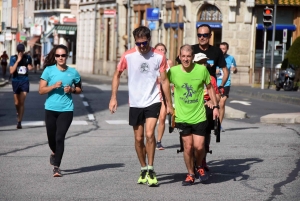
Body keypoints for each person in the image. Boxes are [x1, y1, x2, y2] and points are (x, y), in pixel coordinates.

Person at [109, 26, 173, 186]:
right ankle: (143, 168)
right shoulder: (128, 56)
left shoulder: (158, 56)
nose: (142, 46)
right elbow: (117, 74)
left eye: (144, 43)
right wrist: (113, 98)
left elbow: (164, 80)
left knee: (150, 134)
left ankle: (151, 168)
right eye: (139, 44)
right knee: (138, 139)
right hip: (136, 102)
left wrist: (169, 104)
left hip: (153, 99)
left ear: (149, 40)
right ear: (135, 42)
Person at [168, 45, 219, 186]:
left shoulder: (201, 70)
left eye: (188, 56)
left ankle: (200, 166)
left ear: (193, 57)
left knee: (199, 146)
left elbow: (210, 87)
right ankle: (191, 173)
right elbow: (163, 84)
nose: (186, 59)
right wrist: (166, 104)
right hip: (182, 116)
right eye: (183, 56)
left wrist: (215, 106)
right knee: (188, 147)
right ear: (179, 56)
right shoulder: (173, 71)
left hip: (199, 115)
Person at [39, 44, 82, 177]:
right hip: (50, 109)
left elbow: (80, 89)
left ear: (67, 56)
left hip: (66, 109)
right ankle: (54, 153)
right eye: (58, 55)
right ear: (55, 57)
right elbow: (41, 90)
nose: (60, 58)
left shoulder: (73, 72)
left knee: (60, 137)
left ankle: (56, 167)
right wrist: (52, 86)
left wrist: (72, 90)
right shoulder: (48, 70)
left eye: (63, 55)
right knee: (51, 139)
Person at [176, 24, 229, 95]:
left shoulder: (216, 51)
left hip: (210, 88)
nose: (202, 37)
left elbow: (225, 71)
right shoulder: (190, 49)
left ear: (210, 36)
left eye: (205, 35)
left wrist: (221, 86)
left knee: (215, 105)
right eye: (199, 35)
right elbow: (179, 66)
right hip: (192, 87)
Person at [193, 52, 220, 172]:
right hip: (192, 107)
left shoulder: (211, 79)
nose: (202, 65)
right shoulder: (190, 76)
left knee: (209, 114)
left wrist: (213, 103)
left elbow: (217, 96)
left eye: (204, 62)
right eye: (199, 63)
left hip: (206, 108)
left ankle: (203, 156)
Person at [9, 44, 33, 129]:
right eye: (19, 51)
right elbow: (11, 71)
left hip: (24, 81)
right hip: (15, 81)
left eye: (21, 51)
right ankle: (18, 111)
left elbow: (30, 66)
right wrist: (17, 61)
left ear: (23, 50)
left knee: (22, 102)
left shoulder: (28, 58)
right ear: (17, 51)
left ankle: (19, 122)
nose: (20, 52)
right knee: (17, 103)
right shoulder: (13, 58)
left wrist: (30, 67)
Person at [154, 43, 173, 150]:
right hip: (154, 93)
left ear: (165, 51)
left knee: (162, 118)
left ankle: (159, 141)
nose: (161, 51)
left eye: (163, 49)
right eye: (158, 49)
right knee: (152, 119)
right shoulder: (152, 62)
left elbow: (173, 77)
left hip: (164, 94)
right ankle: (150, 139)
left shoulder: (169, 62)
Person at [216, 42, 237, 132]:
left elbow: (235, 69)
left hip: (225, 84)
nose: (222, 50)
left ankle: (219, 125)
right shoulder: (215, 57)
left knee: (222, 103)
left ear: (227, 49)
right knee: (214, 104)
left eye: (223, 49)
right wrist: (214, 70)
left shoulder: (231, 58)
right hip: (214, 83)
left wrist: (235, 69)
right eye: (220, 48)